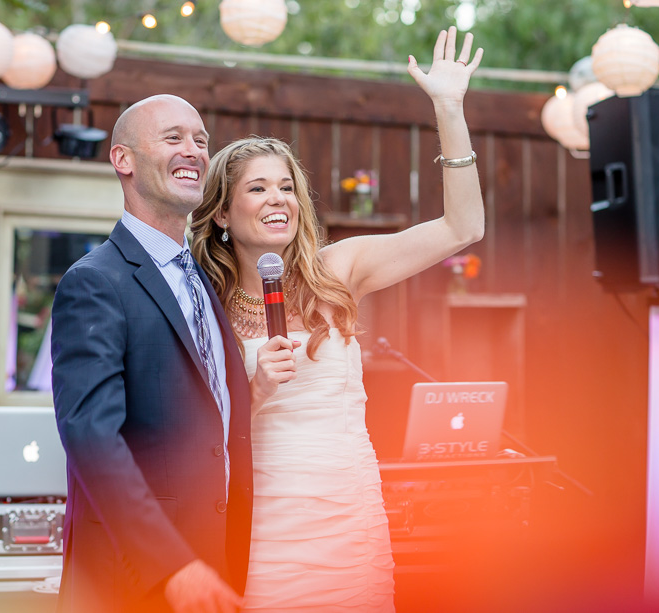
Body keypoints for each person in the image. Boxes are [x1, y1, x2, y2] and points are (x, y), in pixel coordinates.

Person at [191, 27, 485, 611]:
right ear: (223, 211)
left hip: (348, 518)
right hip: (261, 527)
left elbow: (463, 228)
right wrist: (254, 386)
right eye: (257, 188)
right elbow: (191, 433)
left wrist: (449, 110)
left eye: (287, 187)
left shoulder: (338, 269)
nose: (279, 199)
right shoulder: (202, 303)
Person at [50, 94, 253, 612]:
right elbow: (91, 436)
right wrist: (171, 565)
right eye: (174, 138)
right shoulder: (95, 282)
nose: (195, 150)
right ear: (124, 160)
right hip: (133, 577)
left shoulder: (206, 281)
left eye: (202, 140)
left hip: (219, 565)